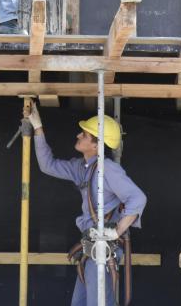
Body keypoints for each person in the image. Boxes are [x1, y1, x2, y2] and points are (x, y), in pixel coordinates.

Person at [26, 102, 146, 306]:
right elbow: (48, 165)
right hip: (91, 250)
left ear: (95, 145)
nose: (78, 136)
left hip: (102, 250)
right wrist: (38, 127)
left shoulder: (108, 169)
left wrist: (117, 231)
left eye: (84, 135)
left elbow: (137, 198)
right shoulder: (82, 168)